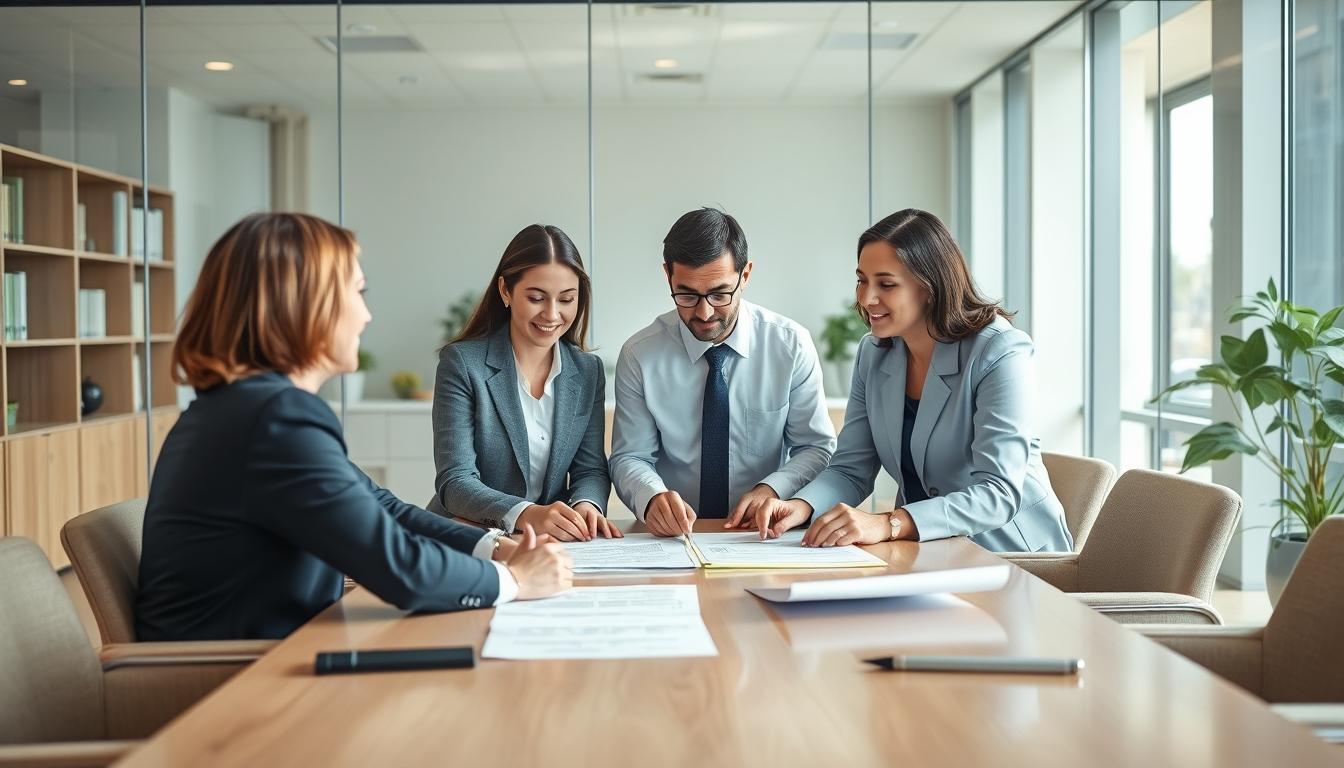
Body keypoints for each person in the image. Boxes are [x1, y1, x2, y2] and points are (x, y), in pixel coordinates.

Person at [136, 213, 572, 642]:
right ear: (304, 304)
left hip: (267, 652)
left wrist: (494, 547)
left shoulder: (253, 408)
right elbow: (397, 565)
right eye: (357, 293)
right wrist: (514, 581)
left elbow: (383, 509)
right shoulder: (274, 420)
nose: (366, 316)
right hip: (228, 679)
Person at [732, 209, 1072, 552]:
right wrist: (801, 506)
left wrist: (890, 522)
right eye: (862, 280)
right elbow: (852, 468)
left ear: (929, 287)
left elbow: (998, 492)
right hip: (930, 551)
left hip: (1015, 556)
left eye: (886, 284)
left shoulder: (1000, 350)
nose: (866, 298)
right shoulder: (875, 352)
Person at [610, 207, 836, 537]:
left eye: (719, 294)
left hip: (762, 535)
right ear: (667, 276)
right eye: (686, 294)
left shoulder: (790, 345)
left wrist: (772, 490)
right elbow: (631, 455)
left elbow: (816, 448)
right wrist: (652, 497)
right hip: (676, 539)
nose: (704, 312)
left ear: (745, 276)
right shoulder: (640, 355)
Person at [426, 224, 617, 542]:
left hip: (549, 544)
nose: (552, 314)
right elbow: (455, 482)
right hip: (468, 538)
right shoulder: (462, 363)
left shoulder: (587, 371)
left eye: (567, 299)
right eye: (537, 298)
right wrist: (527, 514)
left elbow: (590, 469)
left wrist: (586, 504)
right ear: (505, 291)